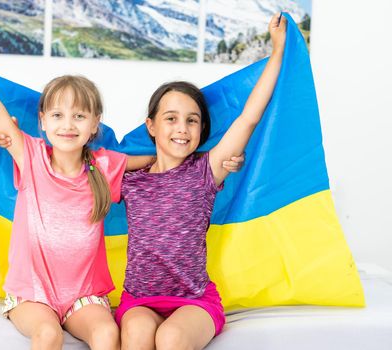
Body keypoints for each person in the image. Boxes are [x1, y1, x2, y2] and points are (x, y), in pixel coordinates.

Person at [0, 18, 156, 350]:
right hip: (32, 294)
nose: (68, 125)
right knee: (47, 334)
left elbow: (160, 160)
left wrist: (214, 158)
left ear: (94, 124)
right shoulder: (30, 155)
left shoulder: (104, 165)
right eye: (57, 115)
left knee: (106, 333)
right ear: (42, 121)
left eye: (79, 116)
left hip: (84, 296)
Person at [114, 13, 287, 350]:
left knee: (171, 337)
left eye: (192, 120)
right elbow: (73, 163)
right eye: (171, 119)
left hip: (194, 302)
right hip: (139, 299)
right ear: (151, 125)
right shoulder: (130, 179)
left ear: (201, 130)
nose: (182, 128)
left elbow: (249, 117)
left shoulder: (205, 171)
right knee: (136, 336)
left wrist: (277, 51)